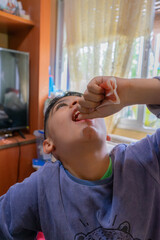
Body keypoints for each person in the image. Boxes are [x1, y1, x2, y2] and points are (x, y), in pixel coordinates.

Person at [0, 76, 160, 240]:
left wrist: (129, 91)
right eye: (62, 106)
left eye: (86, 101)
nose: (78, 103)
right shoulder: (41, 187)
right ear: (48, 145)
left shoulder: (146, 158)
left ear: (107, 136)